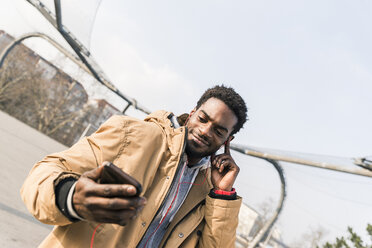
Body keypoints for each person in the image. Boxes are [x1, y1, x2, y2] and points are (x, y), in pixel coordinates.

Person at [21, 85, 248, 248]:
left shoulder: (209, 191)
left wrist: (222, 195)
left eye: (219, 131)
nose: (205, 131)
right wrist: (70, 196)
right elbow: (47, 170)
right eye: (203, 119)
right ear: (191, 115)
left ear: (228, 141)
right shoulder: (134, 134)